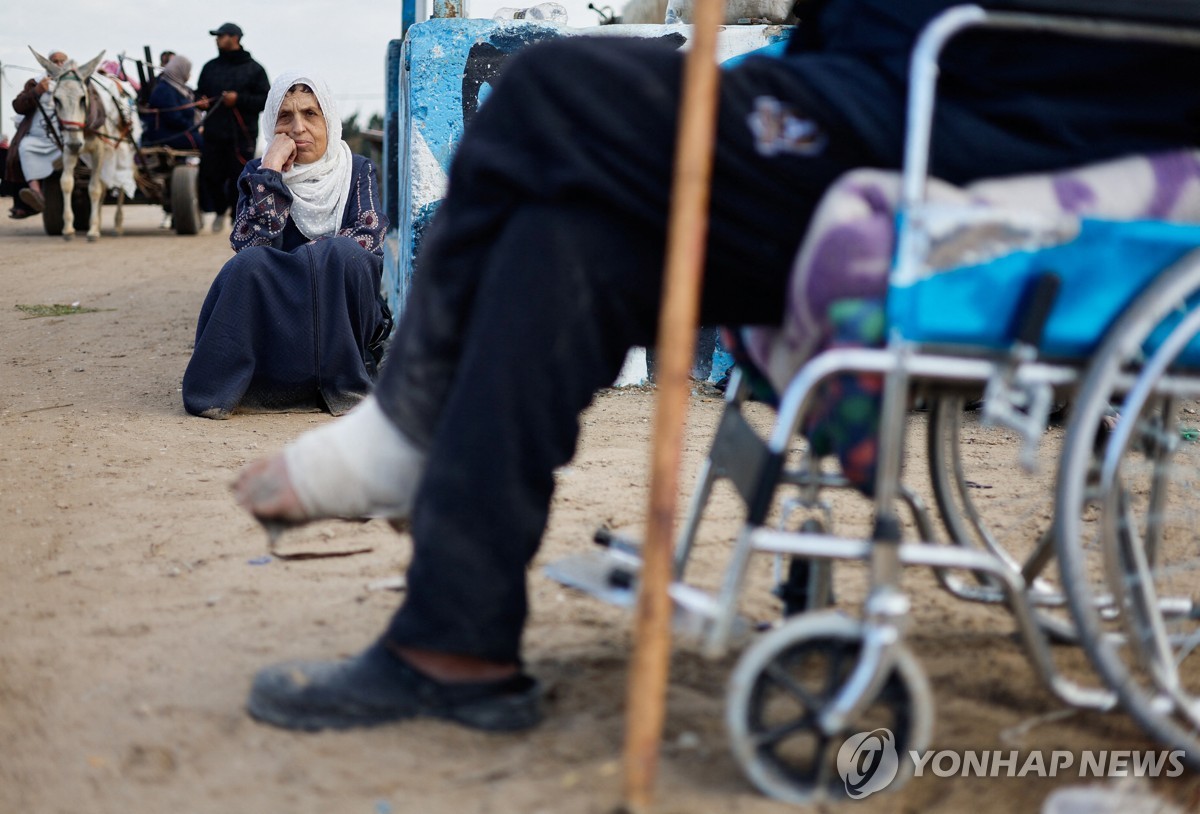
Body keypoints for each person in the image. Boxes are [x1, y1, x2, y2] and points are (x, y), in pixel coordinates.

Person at [232, 0, 1200, 732]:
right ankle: (455, 638)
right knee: (567, 234)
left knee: (547, 91)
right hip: (895, 83)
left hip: (994, 100)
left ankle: (404, 435)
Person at [181, 71, 393, 421]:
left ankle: (341, 381)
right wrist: (271, 173)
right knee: (247, 266)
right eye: (285, 117)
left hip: (340, 309)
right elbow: (251, 244)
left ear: (329, 120)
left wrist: (306, 261)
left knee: (345, 255)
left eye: (310, 114)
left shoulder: (357, 170)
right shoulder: (258, 172)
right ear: (271, 125)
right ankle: (225, 389)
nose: (297, 128)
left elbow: (368, 241)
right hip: (279, 317)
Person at [195, 22, 269, 233]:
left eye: (221, 36)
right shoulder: (209, 67)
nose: (217, 40)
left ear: (234, 38)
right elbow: (199, 93)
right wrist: (201, 101)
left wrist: (238, 99)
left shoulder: (255, 69)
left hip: (241, 136)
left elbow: (265, 100)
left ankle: (237, 216)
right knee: (211, 175)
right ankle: (219, 211)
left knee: (240, 178)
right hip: (214, 133)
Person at [6, 50, 68, 218]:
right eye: (55, 61)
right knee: (24, 148)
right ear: (48, 63)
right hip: (36, 138)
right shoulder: (35, 83)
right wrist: (37, 92)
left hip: (64, 139)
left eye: (63, 61)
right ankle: (36, 194)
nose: (59, 64)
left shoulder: (72, 83)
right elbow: (18, 106)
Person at [141, 55, 203, 151]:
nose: (189, 74)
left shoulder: (178, 89)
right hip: (165, 135)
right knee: (208, 143)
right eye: (188, 71)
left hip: (175, 132)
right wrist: (194, 127)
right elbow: (174, 118)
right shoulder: (164, 90)